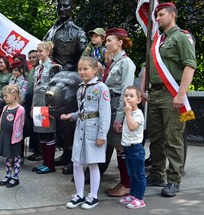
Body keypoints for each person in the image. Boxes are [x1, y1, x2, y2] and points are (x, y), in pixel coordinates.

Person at [141, 2, 196, 197]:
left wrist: (181, 93)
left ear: (172, 15)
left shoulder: (182, 37)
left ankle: (174, 180)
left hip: (173, 94)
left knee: (173, 138)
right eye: (157, 15)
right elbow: (148, 66)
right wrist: (142, 89)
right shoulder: (158, 41)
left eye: (161, 15)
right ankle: (157, 174)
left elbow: (190, 66)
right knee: (155, 137)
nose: (157, 18)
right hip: (155, 94)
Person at [61, 57, 111, 210]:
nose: (82, 72)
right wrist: (71, 116)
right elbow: (82, 111)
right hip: (81, 127)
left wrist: (102, 135)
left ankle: (93, 196)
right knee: (77, 163)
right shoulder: (81, 88)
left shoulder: (101, 88)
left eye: (85, 69)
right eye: (80, 69)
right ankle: (79, 194)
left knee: (92, 163)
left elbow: (104, 113)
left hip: (94, 130)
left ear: (94, 69)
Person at [100, 28, 136, 197]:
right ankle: (125, 182)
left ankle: (126, 184)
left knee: (121, 146)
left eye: (109, 40)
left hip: (117, 107)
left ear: (120, 42)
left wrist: (120, 118)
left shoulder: (126, 63)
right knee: (117, 146)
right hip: (110, 106)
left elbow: (127, 92)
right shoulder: (113, 63)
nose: (106, 43)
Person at [43, 0, 87, 71]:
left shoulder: (79, 33)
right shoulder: (50, 32)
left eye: (65, 6)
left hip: (69, 76)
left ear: (71, 8)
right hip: (48, 74)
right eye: (59, 6)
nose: (62, 9)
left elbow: (84, 59)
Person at [31, 41, 56, 174]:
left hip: (47, 102)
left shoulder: (54, 67)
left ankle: (50, 164)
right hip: (38, 102)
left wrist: (52, 107)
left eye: (40, 51)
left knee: (48, 133)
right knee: (41, 133)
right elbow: (36, 89)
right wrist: (32, 107)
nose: (38, 53)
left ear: (48, 52)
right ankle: (44, 162)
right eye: (37, 50)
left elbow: (56, 89)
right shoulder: (37, 69)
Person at [119, 86, 146, 209]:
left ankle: (140, 198)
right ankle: (133, 195)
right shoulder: (128, 112)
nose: (128, 98)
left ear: (139, 100)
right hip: (128, 148)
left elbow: (132, 127)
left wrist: (128, 113)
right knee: (131, 174)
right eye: (126, 96)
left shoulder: (138, 113)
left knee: (139, 174)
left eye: (131, 96)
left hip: (136, 149)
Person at [0, 85, 25, 188]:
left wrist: (17, 136)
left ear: (13, 95)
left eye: (6, 95)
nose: (4, 98)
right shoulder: (5, 107)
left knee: (16, 157)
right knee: (8, 156)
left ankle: (15, 177)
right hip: (5, 136)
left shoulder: (20, 109)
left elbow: (20, 124)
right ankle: (8, 174)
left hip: (14, 138)